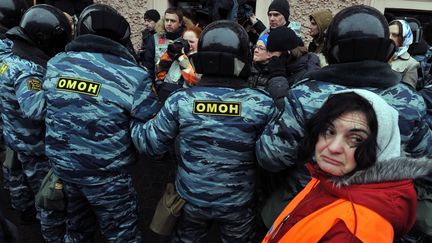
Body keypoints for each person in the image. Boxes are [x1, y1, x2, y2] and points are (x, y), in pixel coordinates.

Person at [256, 5, 432, 229]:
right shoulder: (410, 102)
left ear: (330, 50)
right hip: (377, 219)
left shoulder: (305, 95)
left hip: (310, 212)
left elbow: (270, 157)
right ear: (388, 50)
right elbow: (424, 166)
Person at [131, 20, 278, 242]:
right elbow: (275, 157)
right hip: (238, 203)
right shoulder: (261, 103)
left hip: (192, 200)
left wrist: (132, 117)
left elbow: (149, 144)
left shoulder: (181, 101)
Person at [29, 4, 159, 242]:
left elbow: (41, 108)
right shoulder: (134, 75)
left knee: (77, 231)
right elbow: (150, 141)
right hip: (108, 179)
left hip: (64, 171)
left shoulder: (57, 63)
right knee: (122, 235)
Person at [262, 89, 432, 242]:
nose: (334, 148)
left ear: (379, 147)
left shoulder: (351, 231)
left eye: (356, 139)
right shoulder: (333, 176)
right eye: (329, 131)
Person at [0, 4, 72, 241]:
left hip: (15, 136)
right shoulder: (28, 71)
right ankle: (51, 234)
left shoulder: (9, 58)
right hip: (34, 146)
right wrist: (62, 92)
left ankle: (25, 213)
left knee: (17, 178)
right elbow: (35, 109)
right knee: (48, 200)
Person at [142, 7, 194, 81]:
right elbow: (148, 66)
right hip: (161, 86)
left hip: (183, 88)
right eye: (167, 20)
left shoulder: (189, 39)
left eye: (172, 21)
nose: (169, 23)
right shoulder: (154, 39)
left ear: (180, 23)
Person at [154, 26, 202, 100]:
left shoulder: (201, 58)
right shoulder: (176, 53)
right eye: (185, 41)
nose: (188, 44)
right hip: (167, 94)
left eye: (191, 42)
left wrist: (181, 58)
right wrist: (169, 54)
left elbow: (195, 80)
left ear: (200, 42)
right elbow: (159, 73)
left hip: (185, 99)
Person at [389, 19, 420, 89]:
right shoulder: (378, 54)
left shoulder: (411, 64)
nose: (389, 37)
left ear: (404, 38)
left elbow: (407, 93)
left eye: (394, 35)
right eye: (388, 33)